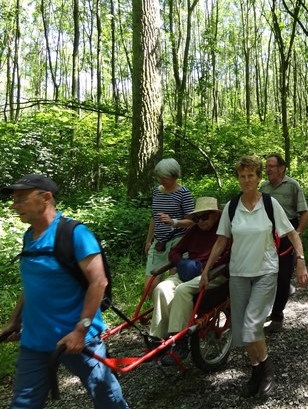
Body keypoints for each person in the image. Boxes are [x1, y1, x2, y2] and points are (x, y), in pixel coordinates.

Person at [0, 174, 129, 409]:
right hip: (34, 342)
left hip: (77, 340)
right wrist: (13, 322)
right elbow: (32, 285)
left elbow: (98, 282)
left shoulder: (75, 234)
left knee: (108, 399)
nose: (14, 205)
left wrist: (80, 331)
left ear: (46, 197)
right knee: (22, 404)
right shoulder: (29, 237)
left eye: (20, 199)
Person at [199, 156, 308, 399]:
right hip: (238, 274)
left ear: (259, 178)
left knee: (251, 326)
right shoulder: (231, 206)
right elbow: (221, 241)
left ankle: (266, 371)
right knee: (241, 330)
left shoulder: (270, 204)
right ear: (238, 179)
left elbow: (292, 234)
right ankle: (256, 372)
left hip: (266, 272)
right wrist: (205, 271)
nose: (247, 180)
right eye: (242, 176)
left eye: (251, 175)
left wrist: (300, 262)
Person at [148, 196, 228, 366]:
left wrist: (204, 267)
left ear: (215, 214)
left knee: (182, 290)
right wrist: (181, 263)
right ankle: (159, 338)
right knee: (162, 288)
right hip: (189, 272)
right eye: (197, 218)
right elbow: (175, 251)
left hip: (213, 274)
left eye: (204, 216)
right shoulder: (194, 231)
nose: (200, 221)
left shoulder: (224, 231)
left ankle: (180, 341)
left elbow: (229, 257)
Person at [260, 153, 308, 334]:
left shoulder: (292, 185)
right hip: (266, 235)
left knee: (282, 275)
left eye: (271, 166)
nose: (268, 169)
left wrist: (297, 233)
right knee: (266, 275)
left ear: (282, 168)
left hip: (287, 235)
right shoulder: (263, 188)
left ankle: (277, 316)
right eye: (266, 167)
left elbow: (304, 212)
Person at [143, 158, 195, 297]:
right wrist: (149, 241)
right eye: (158, 177)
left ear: (174, 176)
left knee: (172, 285)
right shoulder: (156, 192)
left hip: (178, 242)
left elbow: (192, 222)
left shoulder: (183, 193)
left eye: (164, 177)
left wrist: (174, 222)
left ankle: (169, 315)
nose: (160, 180)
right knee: (150, 286)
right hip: (159, 243)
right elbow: (153, 217)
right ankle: (156, 312)